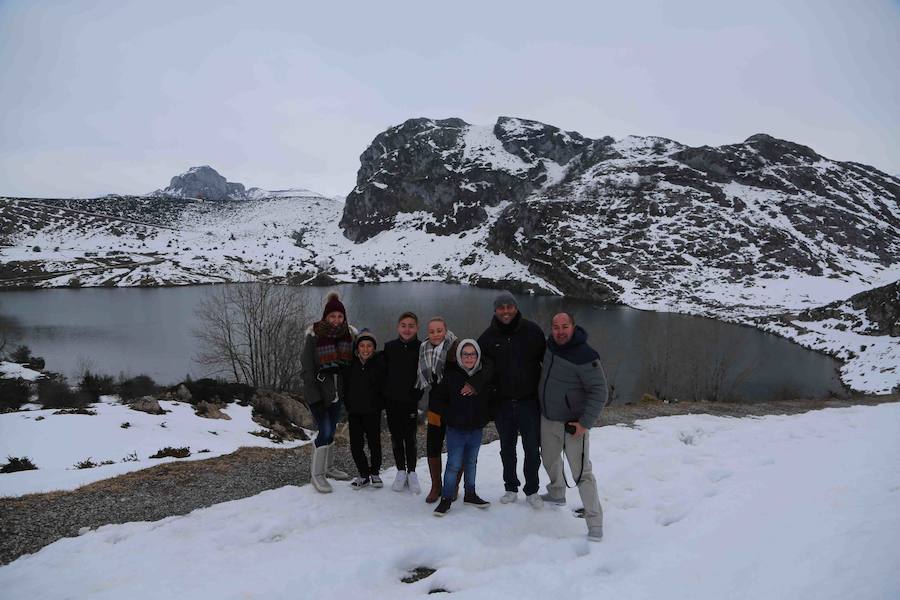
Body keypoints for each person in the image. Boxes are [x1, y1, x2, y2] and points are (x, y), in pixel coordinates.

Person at [538, 312, 608, 542]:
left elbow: (600, 392)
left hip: (573, 426)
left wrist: (585, 423)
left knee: (582, 474)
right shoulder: (550, 346)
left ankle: (595, 522)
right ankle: (557, 492)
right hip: (549, 419)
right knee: (549, 459)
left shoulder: (585, 356)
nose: (560, 331)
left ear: (573, 327)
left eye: (564, 326)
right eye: (555, 326)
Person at [478, 291, 546, 508]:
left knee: (532, 448)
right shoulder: (487, 338)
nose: (506, 311)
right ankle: (510, 487)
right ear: (495, 310)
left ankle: (532, 490)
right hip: (503, 404)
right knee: (507, 448)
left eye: (510, 307)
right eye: (501, 307)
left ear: (516, 308)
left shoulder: (533, 331)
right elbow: (480, 372)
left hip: (529, 402)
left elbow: (548, 364)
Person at [300, 292, 356, 493]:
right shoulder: (314, 336)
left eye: (340, 316)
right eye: (332, 316)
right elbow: (307, 369)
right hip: (319, 394)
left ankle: (329, 467)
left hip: (337, 394)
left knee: (331, 430)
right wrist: (314, 398)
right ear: (325, 316)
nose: (336, 320)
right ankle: (317, 475)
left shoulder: (348, 336)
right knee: (324, 431)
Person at [432, 340, 492, 517]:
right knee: (453, 465)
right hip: (456, 431)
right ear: (459, 356)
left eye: (472, 354)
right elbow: (437, 400)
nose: (469, 357)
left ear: (478, 356)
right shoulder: (451, 376)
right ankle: (446, 499)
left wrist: (483, 417)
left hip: (475, 430)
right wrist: (449, 416)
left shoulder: (482, 378)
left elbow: (489, 401)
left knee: (471, 463)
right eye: (465, 354)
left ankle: (470, 494)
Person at [416, 317, 459, 503]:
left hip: (455, 406)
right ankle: (436, 486)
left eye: (439, 330)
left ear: (446, 330)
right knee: (433, 444)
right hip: (435, 405)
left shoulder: (456, 348)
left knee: (456, 447)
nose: (435, 334)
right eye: (432, 331)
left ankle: (454, 485)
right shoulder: (425, 349)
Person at [382, 312, 424, 493]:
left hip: (410, 401)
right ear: (398, 327)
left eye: (411, 326)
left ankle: (412, 472)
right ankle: (400, 470)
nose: (407, 329)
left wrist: (418, 393)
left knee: (410, 437)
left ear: (417, 328)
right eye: (404, 325)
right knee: (396, 437)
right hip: (392, 401)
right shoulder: (389, 347)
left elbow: (425, 373)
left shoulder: (422, 348)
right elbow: (382, 374)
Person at [342, 329, 386, 489]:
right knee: (356, 445)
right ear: (357, 348)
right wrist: (347, 404)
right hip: (354, 413)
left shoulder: (379, 365)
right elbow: (344, 387)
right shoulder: (350, 365)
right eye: (362, 346)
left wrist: (380, 405)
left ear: (374, 348)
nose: (366, 349)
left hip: (373, 412)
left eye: (369, 346)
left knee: (375, 444)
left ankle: (374, 472)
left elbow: (383, 388)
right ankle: (363, 474)